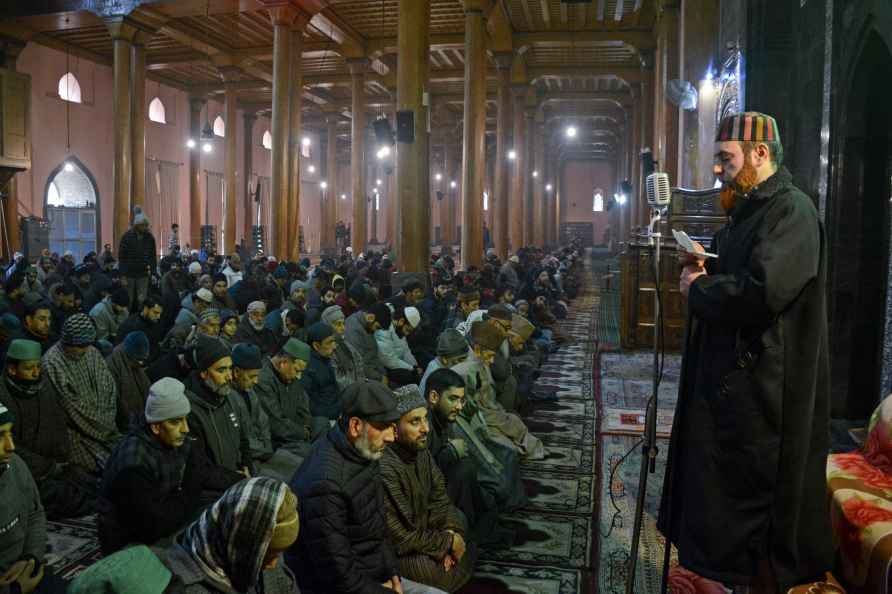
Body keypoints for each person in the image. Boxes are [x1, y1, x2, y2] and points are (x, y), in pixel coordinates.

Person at [660, 112, 832, 593]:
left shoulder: (791, 211)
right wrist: (703, 260)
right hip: (742, 380)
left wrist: (698, 289)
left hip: (770, 388)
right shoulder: (750, 208)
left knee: (757, 502)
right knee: (725, 487)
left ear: (760, 153)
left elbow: (763, 291)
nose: (719, 169)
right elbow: (736, 270)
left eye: (725, 158)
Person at [288, 380, 447, 594]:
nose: (392, 436)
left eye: (393, 426)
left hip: (376, 578)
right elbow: (338, 576)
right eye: (383, 427)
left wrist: (392, 573)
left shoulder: (363, 452)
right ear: (355, 426)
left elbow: (379, 530)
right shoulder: (325, 483)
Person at [97, 377, 240, 555]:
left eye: (185, 420)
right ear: (156, 427)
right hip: (130, 541)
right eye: (176, 422)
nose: (185, 429)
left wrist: (242, 481)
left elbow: (206, 471)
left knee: (225, 503)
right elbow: (153, 526)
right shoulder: (133, 463)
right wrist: (190, 487)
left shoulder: (174, 439)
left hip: (164, 511)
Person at [380, 385, 476, 592]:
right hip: (405, 550)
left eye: (425, 419)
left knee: (461, 519)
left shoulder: (420, 452)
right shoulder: (385, 466)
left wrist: (450, 531)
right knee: (432, 569)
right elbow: (400, 537)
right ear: (394, 428)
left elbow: (441, 499)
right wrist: (448, 542)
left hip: (429, 536)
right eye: (415, 421)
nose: (426, 428)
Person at [0, 339, 95, 520]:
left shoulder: (43, 386)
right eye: (29, 368)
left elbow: (58, 423)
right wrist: (48, 467)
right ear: (12, 369)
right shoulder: (2, 397)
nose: (36, 373)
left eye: (38, 367)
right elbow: (11, 449)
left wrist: (62, 459)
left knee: (87, 482)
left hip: (54, 462)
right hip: (24, 472)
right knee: (65, 497)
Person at [158, 478, 301, 593]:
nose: (274, 564)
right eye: (269, 555)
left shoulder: (255, 545)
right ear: (242, 542)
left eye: (278, 554)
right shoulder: (181, 586)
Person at [42, 313, 121, 474]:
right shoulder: (52, 362)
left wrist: (106, 418)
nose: (84, 350)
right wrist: (100, 424)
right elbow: (70, 406)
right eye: (80, 346)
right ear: (67, 342)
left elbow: (108, 387)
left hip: (105, 421)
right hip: (75, 429)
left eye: (87, 345)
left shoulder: (91, 351)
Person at [0, 403, 65, 594]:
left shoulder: (16, 465)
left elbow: (35, 514)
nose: (10, 447)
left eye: (9, 434)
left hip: (23, 571)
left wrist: (30, 558)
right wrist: (14, 590)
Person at [229, 343, 303, 482]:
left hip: (265, 451)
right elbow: (241, 440)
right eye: (251, 376)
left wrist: (267, 447)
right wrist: (265, 451)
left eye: (257, 376)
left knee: (301, 465)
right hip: (250, 460)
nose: (256, 381)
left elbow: (263, 422)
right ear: (237, 372)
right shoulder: (229, 398)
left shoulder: (250, 392)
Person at [184, 335, 252, 479]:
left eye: (230, 369)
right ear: (204, 373)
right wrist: (236, 478)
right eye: (221, 370)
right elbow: (199, 468)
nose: (229, 377)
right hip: (212, 491)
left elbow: (244, 441)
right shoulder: (189, 410)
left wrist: (247, 468)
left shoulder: (231, 398)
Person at [253, 338, 316, 453]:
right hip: (276, 442)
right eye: (297, 371)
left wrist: (307, 427)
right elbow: (276, 423)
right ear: (283, 362)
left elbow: (303, 409)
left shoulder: (291, 376)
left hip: (296, 434)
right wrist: (303, 432)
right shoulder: (263, 379)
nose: (299, 376)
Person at [300, 322, 343, 430]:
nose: (334, 346)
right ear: (316, 345)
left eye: (334, 341)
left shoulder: (324, 358)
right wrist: (337, 412)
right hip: (325, 419)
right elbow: (309, 405)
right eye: (329, 342)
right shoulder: (307, 368)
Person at [106, 331, 152, 432]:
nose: (141, 363)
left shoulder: (133, 361)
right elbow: (118, 404)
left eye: (142, 360)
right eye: (138, 360)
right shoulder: (112, 367)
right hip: (125, 425)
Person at [118, 207, 157, 311]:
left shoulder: (150, 238)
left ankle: (140, 320)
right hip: (129, 274)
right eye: (143, 225)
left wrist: (153, 273)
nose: (145, 227)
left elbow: (152, 257)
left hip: (143, 274)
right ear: (137, 225)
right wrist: (122, 276)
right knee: (128, 300)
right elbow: (121, 258)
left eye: (146, 225)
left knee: (142, 300)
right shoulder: (126, 237)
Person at [375, 305, 423, 387]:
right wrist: (412, 369)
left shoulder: (398, 329)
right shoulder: (383, 329)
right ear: (401, 321)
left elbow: (405, 351)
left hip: (396, 363)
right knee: (410, 376)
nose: (407, 334)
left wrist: (415, 366)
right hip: (383, 366)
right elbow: (388, 360)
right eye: (407, 330)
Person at [344, 301, 391, 383]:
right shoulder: (353, 329)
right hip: (360, 377)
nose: (376, 330)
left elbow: (374, 355)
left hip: (372, 372)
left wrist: (384, 374)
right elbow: (357, 364)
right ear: (371, 318)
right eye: (377, 327)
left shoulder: (367, 326)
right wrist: (379, 377)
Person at [321, 305, 365, 392]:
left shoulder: (343, 342)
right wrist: (358, 387)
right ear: (328, 326)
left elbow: (358, 362)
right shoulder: (326, 349)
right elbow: (338, 380)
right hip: (344, 393)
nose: (343, 328)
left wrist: (362, 384)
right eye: (338, 324)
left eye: (343, 323)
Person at [116, 295, 164, 362]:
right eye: (155, 312)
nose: (158, 317)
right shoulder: (131, 326)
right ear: (146, 309)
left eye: (160, 314)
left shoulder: (154, 322)